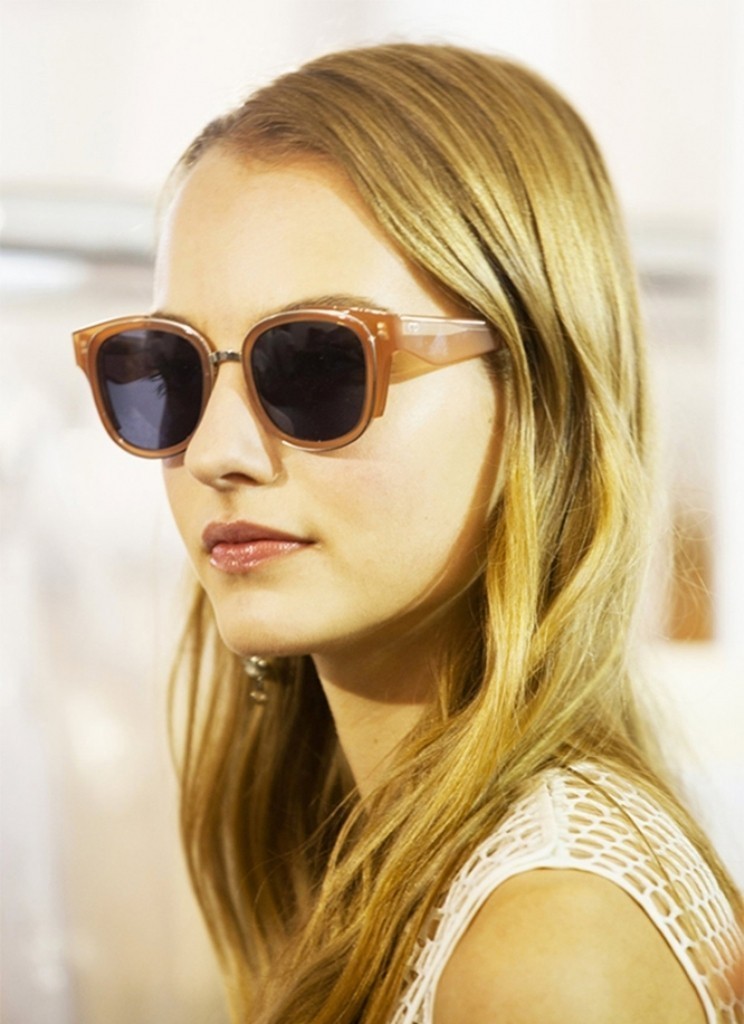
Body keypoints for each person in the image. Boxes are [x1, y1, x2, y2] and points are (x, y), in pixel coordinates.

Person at [72, 43, 743, 1024]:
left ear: (538, 396)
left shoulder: (550, 943)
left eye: (317, 365)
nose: (215, 451)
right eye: (168, 368)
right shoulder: (375, 857)